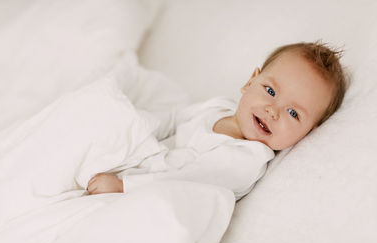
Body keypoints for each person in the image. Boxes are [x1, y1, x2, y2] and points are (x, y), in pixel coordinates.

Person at [87, 41, 348, 200]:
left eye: (293, 113)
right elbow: (174, 118)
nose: (273, 111)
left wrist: (124, 186)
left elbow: (186, 182)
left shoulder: (246, 158)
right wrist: (133, 126)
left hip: (148, 189)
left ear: (308, 133)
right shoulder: (219, 107)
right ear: (250, 81)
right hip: (146, 159)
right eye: (270, 91)